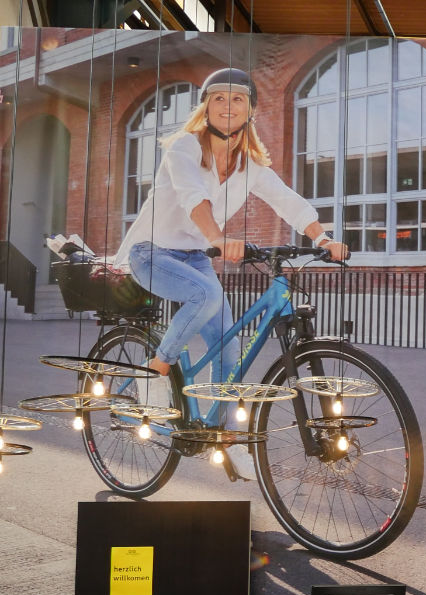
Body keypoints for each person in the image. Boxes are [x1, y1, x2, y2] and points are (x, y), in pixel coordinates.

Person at [118, 67, 350, 480]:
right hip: (151, 252)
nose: (228, 105)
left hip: (195, 258)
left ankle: (220, 436)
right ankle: (155, 374)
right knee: (204, 297)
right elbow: (194, 197)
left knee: (229, 350)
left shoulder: (250, 167)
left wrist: (321, 238)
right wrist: (218, 238)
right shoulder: (184, 148)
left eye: (237, 98)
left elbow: (288, 201)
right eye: (219, 98)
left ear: (250, 110)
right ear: (206, 107)